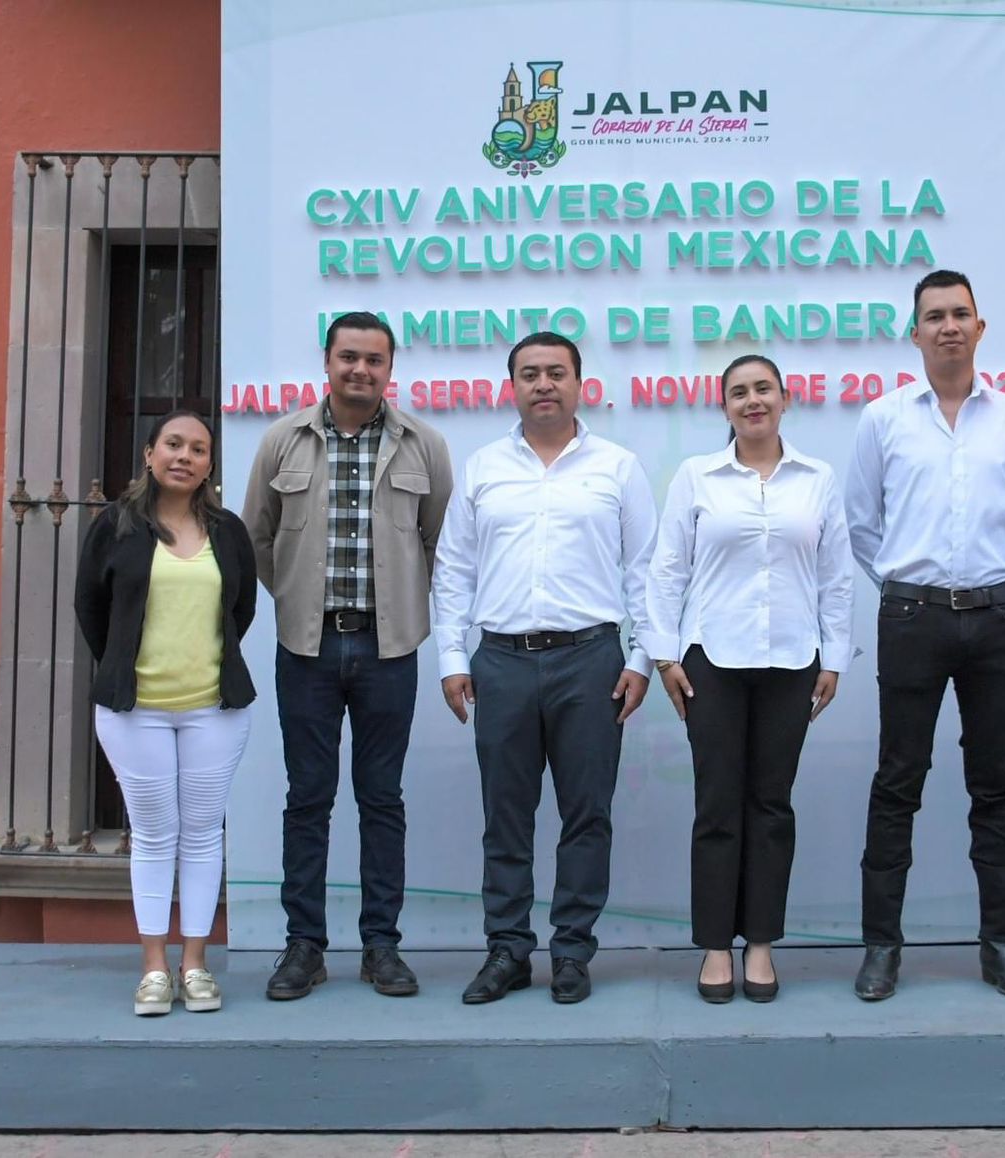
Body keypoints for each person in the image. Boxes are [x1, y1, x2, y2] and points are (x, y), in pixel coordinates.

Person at [433, 332, 656, 1006]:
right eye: (529, 373)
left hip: (591, 660)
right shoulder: (483, 468)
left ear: (580, 383)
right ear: (512, 386)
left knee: (587, 815)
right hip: (499, 661)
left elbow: (647, 570)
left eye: (556, 372)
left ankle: (571, 952)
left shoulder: (616, 467)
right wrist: (450, 657)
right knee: (506, 816)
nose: (543, 384)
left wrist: (642, 656)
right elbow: (454, 569)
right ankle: (506, 950)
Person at [241, 311, 453, 1001]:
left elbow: (438, 544)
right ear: (326, 362)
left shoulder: (424, 445)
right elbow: (257, 542)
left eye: (374, 359)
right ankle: (303, 946)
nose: (360, 369)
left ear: (391, 370)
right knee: (308, 798)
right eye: (348, 357)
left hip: (389, 649)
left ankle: (381, 947)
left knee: (381, 799)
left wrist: (401, 612)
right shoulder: (283, 441)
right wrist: (300, 599)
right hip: (306, 647)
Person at [844, 269, 1005, 1002]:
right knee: (898, 781)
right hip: (912, 618)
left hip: (994, 617)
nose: (949, 326)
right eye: (935, 316)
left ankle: (1002, 949)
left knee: (995, 785)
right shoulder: (884, 418)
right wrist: (911, 588)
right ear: (915, 332)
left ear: (980, 328)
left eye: (962, 313)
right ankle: (881, 950)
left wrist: (980, 580)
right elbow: (863, 524)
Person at [643, 354, 852, 1003]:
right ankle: (713, 947)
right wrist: (664, 656)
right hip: (712, 661)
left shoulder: (816, 478)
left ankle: (759, 944)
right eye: (739, 392)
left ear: (786, 399)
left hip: (793, 662)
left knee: (769, 806)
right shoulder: (698, 477)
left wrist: (836, 656)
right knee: (717, 806)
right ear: (725, 407)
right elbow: (666, 569)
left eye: (764, 389)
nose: (753, 400)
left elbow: (836, 576)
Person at [74, 411, 256, 1016]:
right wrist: (124, 664)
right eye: (173, 444)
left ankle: (196, 965)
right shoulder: (114, 526)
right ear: (150, 454)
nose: (185, 456)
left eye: (198, 449)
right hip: (135, 712)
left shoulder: (227, 531)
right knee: (154, 836)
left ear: (209, 464)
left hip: (215, 710)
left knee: (204, 836)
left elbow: (243, 608)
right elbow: (92, 610)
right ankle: (155, 967)